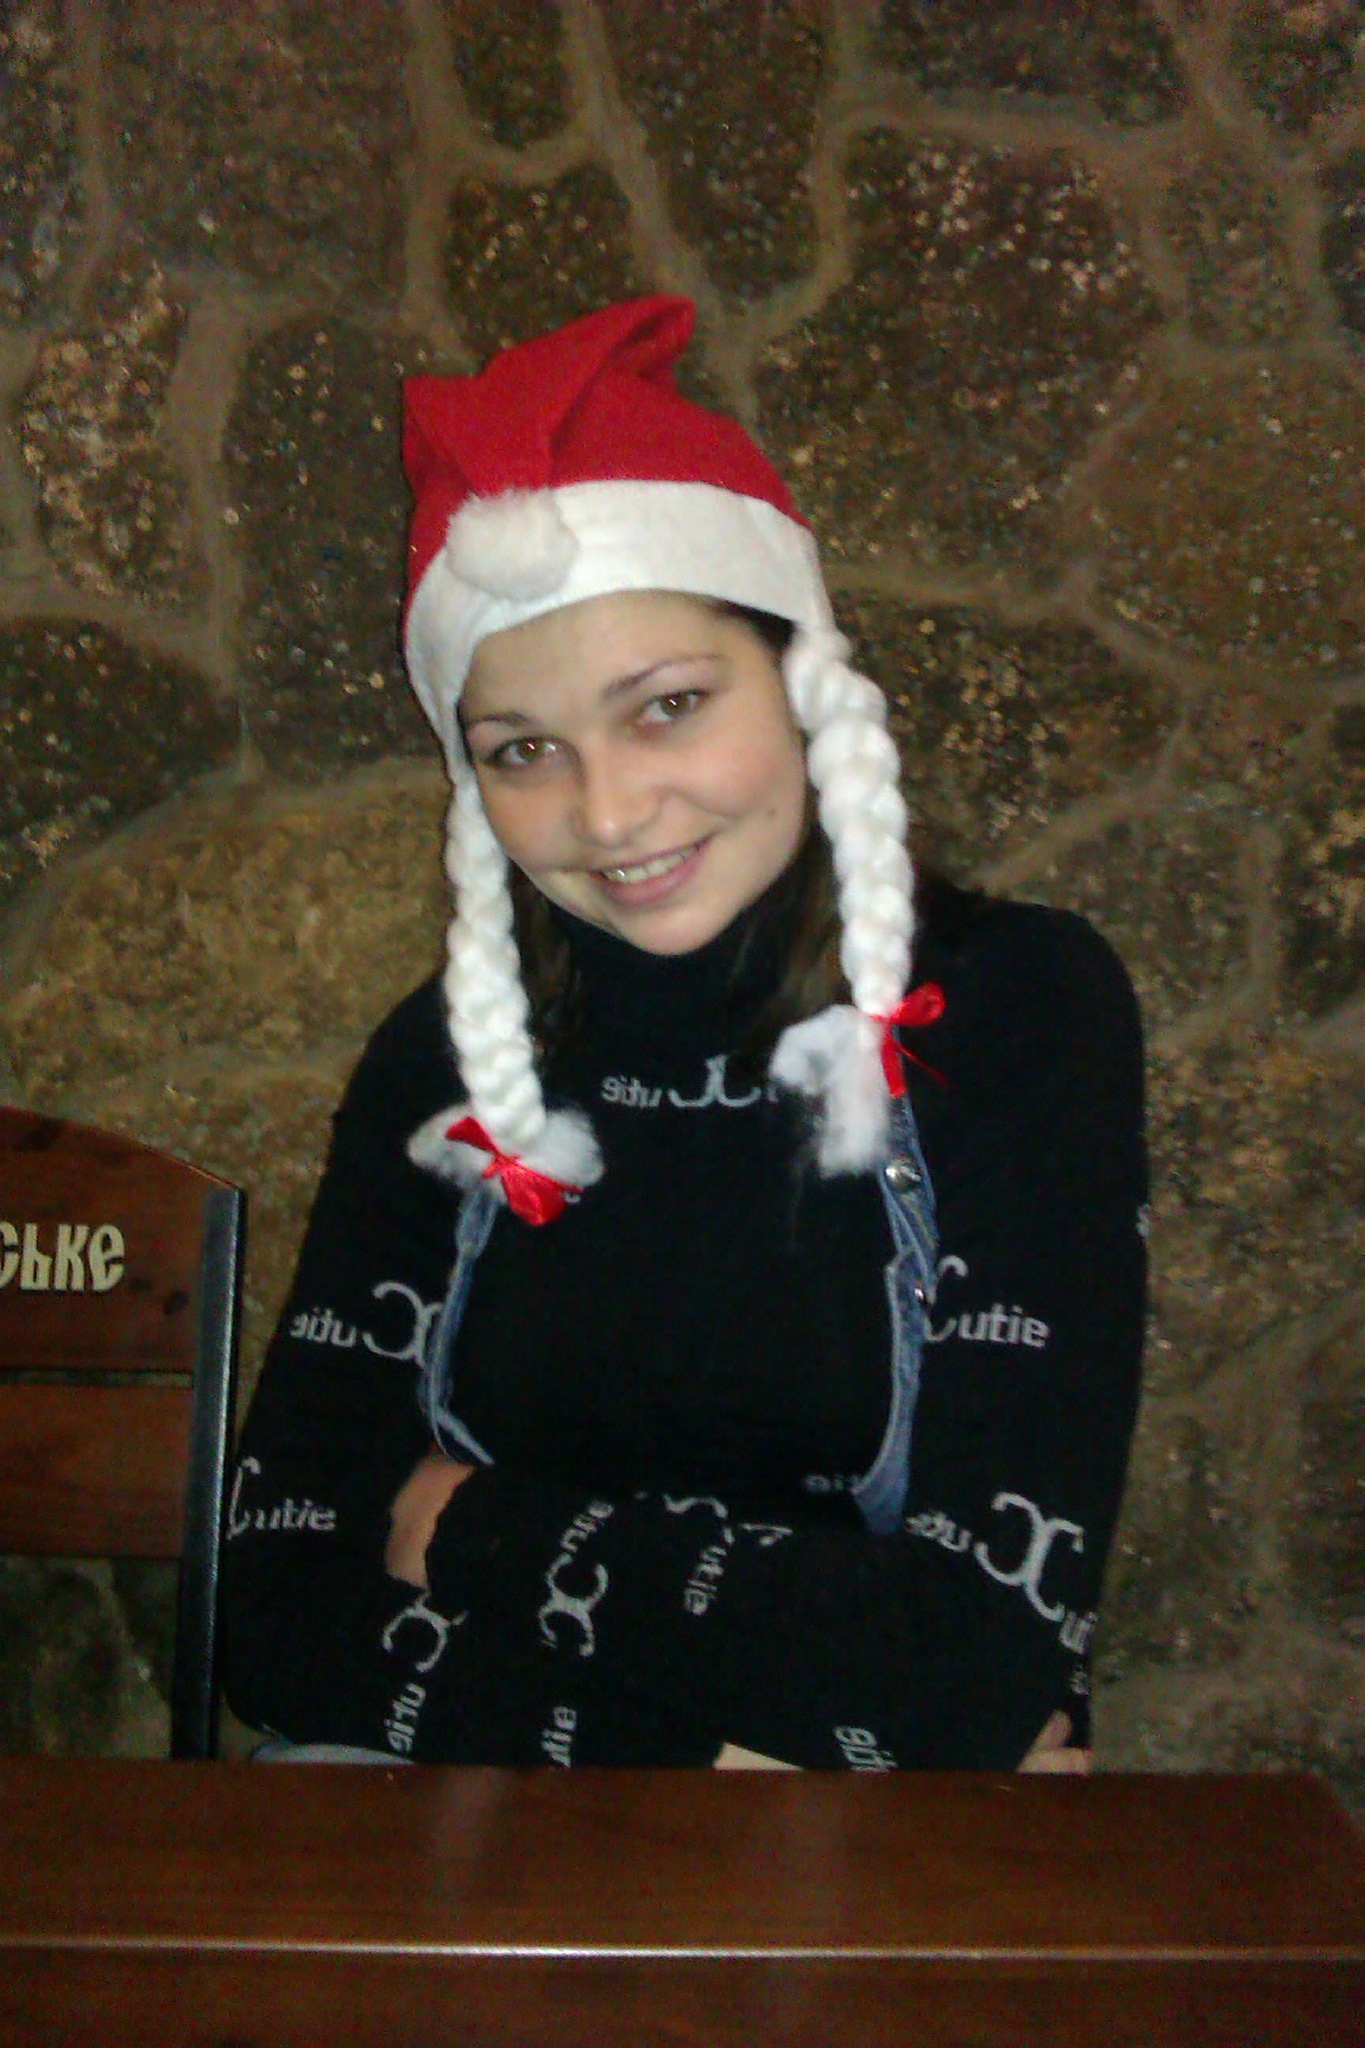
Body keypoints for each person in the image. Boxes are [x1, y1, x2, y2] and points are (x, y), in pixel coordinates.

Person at [223, 295, 1146, 1773]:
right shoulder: (443, 1064)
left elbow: (970, 1661)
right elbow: (272, 1614)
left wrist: (456, 1523)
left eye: (664, 707)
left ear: (803, 684)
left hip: (852, 1858)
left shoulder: (1013, 1010)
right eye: (525, 749)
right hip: (479, 1825)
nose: (606, 813)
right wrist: (711, 1757)